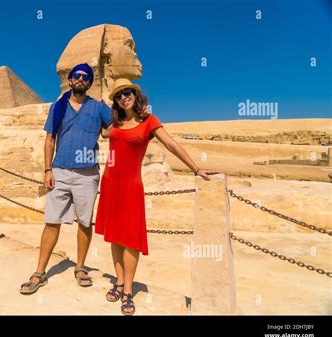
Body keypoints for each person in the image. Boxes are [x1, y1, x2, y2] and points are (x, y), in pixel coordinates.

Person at [95, 78, 220, 315]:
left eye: (128, 92)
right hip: (110, 184)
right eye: (119, 95)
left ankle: (128, 291)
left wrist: (195, 168)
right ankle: (119, 281)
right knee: (115, 236)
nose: (124, 97)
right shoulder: (115, 123)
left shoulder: (149, 121)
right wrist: (99, 105)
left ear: (136, 94)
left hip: (131, 186)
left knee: (130, 239)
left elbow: (171, 144)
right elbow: (103, 134)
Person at [19, 63, 113, 294]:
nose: (81, 79)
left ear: (90, 83)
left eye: (85, 77)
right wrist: (47, 170)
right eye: (77, 76)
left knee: (85, 221)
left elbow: (111, 131)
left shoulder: (98, 108)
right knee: (52, 221)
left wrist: (112, 109)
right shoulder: (58, 107)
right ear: (70, 80)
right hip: (60, 171)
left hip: (87, 173)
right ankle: (39, 272)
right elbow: (50, 139)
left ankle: (80, 268)